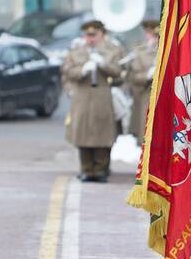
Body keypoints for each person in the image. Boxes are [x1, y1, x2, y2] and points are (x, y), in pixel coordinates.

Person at [61, 19, 124, 182]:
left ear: (102, 35)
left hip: (102, 95)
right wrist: (82, 70)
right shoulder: (76, 51)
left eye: (94, 35)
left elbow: (119, 71)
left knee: (103, 133)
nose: (90, 38)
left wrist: (103, 64)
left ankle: (101, 169)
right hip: (82, 96)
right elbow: (67, 71)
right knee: (82, 133)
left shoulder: (112, 50)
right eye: (88, 35)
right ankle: (86, 169)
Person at [123, 19, 159, 141]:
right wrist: (148, 75)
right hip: (146, 98)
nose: (153, 38)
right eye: (151, 34)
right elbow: (134, 78)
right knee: (147, 138)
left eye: (156, 35)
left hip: (167, 96)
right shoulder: (140, 52)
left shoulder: (169, 48)